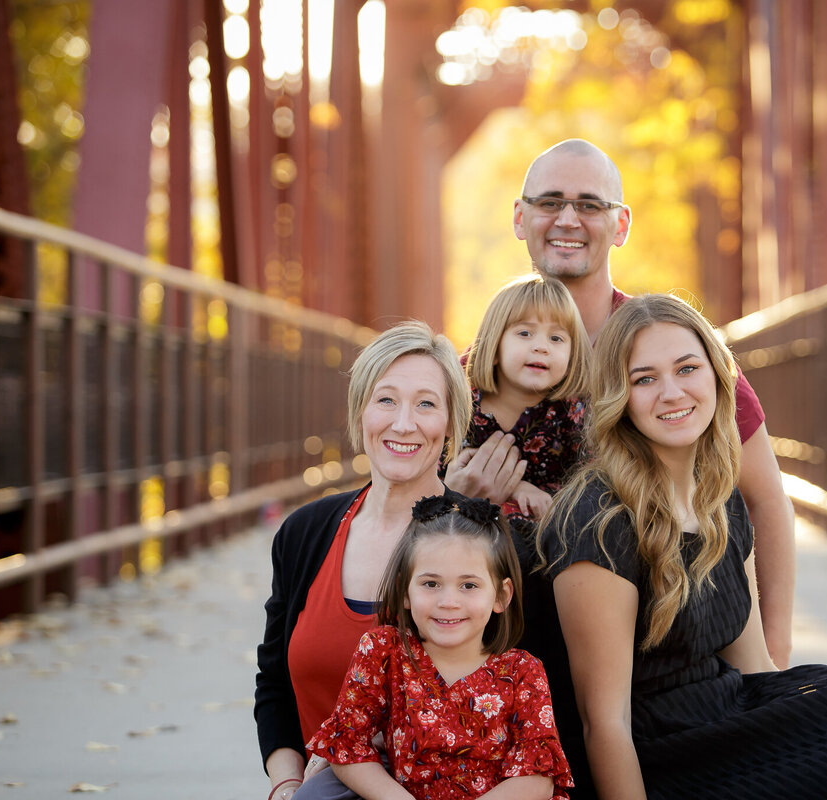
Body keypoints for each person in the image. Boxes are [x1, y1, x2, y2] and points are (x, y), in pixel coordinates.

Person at [536, 294, 827, 800]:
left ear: (718, 380)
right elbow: (603, 725)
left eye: (687, 369)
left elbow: (755, 667)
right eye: (644, 379)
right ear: (618, 397)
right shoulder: (597, 522)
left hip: (727, 721)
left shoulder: (720, 498)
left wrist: (806, 736)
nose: (672, 392)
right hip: (664, 753)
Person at [445, 138, 795, 670]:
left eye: (589, 204)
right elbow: (409, 511)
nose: (568, 218)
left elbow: (766, 501)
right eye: (549, 202)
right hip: (520, 651)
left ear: (622, 225)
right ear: (520, 218)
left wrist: (774, 666)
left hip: (663, 650)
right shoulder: (477, 375)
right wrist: (460, 500)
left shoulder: (675, 349)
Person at [255, 320, 473, 800]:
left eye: (426, 404)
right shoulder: (304, 534)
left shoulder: (486, 543)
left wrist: (350, 757)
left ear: (452, 424)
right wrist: (287, 787)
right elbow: (274, 684)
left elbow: (517, 703)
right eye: (386, 399)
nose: (403, 423)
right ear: (360, 413)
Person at [296, 495, 574, 800]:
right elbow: (347, 746)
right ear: (405, 590)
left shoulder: (521, 672)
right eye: (431, 584)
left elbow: (537, 776)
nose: (448, 602)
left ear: (500, 595)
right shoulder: (384, 652)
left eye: (469, 585)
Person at [457, 274, 590, 522]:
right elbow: (448, 470)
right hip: (470, 531)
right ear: (494, 346)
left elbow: (590, 476)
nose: (542, 346)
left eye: (556, 338)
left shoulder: (572, 410)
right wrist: (519, 489)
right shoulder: (463, 403)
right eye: (525, 333)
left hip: (551, 530)